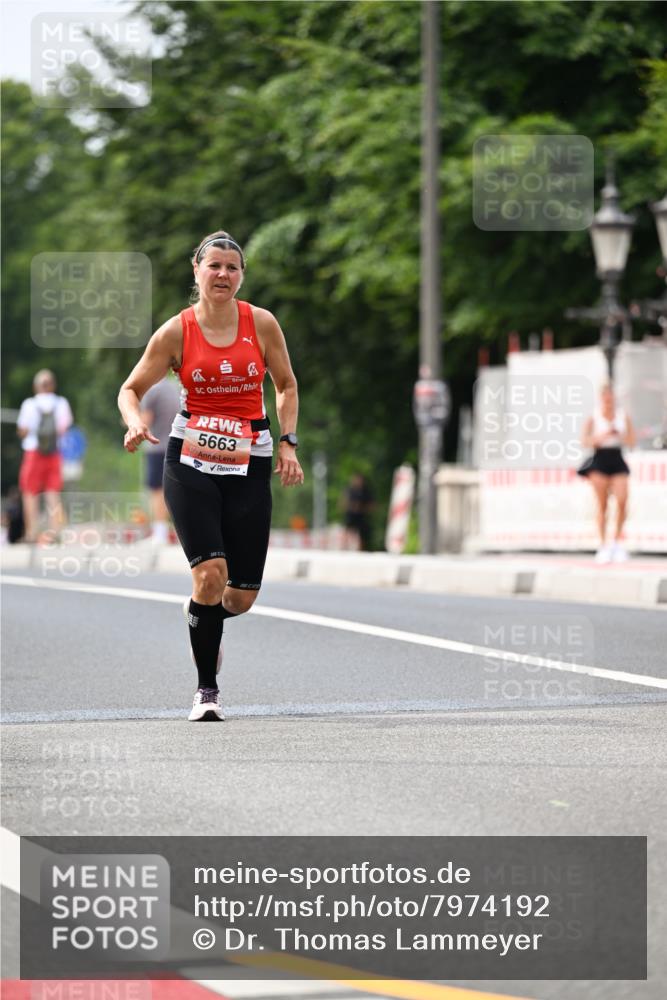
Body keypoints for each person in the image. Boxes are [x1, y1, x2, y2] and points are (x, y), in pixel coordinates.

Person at [118, 229, 304, 721]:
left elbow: (285, 385)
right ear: (196, 272)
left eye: (232, 267)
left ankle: (201, 614)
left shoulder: (261, 324)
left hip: (250, 460)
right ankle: (207, 692)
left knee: (238, 598)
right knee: (209, 574)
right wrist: (136, 421)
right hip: (190, 462)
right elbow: (130, 389)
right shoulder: (176, 332)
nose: (222, 274)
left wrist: (288, 442)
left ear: (241, 276)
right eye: (214, 266)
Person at [578, 382, 636, 564]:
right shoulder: (594, 417)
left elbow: (632, 439)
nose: (608, 399)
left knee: (621, 500)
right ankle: (603, 544)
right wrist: (602, 437)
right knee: (602, 504)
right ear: (601, 397)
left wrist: (618, 435)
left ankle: (617, 542)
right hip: (600, 458)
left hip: (616, 457)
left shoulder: (622, 416)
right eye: (605, 396)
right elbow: (584, 441)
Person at [16, 369, 73, 542]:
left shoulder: (29, 404)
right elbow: (65, 427)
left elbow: (23, 431)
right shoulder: (61, 403)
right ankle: (55, 532)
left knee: (30, 491)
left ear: (36, 387)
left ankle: (32, 532)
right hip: (54, 452)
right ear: (53, 385)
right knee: (52, 491)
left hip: (33, 452)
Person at [140, 375, 182, 543]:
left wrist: (128, 420)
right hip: (177, 445)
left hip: (156, 446)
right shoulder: (175, 387)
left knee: (157, 490)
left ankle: (160, 532)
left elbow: (144, 421)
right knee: (176, 491)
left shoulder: (151, 390)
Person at [341, 473, 375, 551]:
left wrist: (361, 508)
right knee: (347, 533)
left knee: (362, 536)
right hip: (350, 516)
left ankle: (361, 551)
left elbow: (372, 506)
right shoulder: (349, 490)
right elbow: (342, 504)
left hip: (362, 517)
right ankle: (344, 549)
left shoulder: (366, 492)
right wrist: (352, 507)